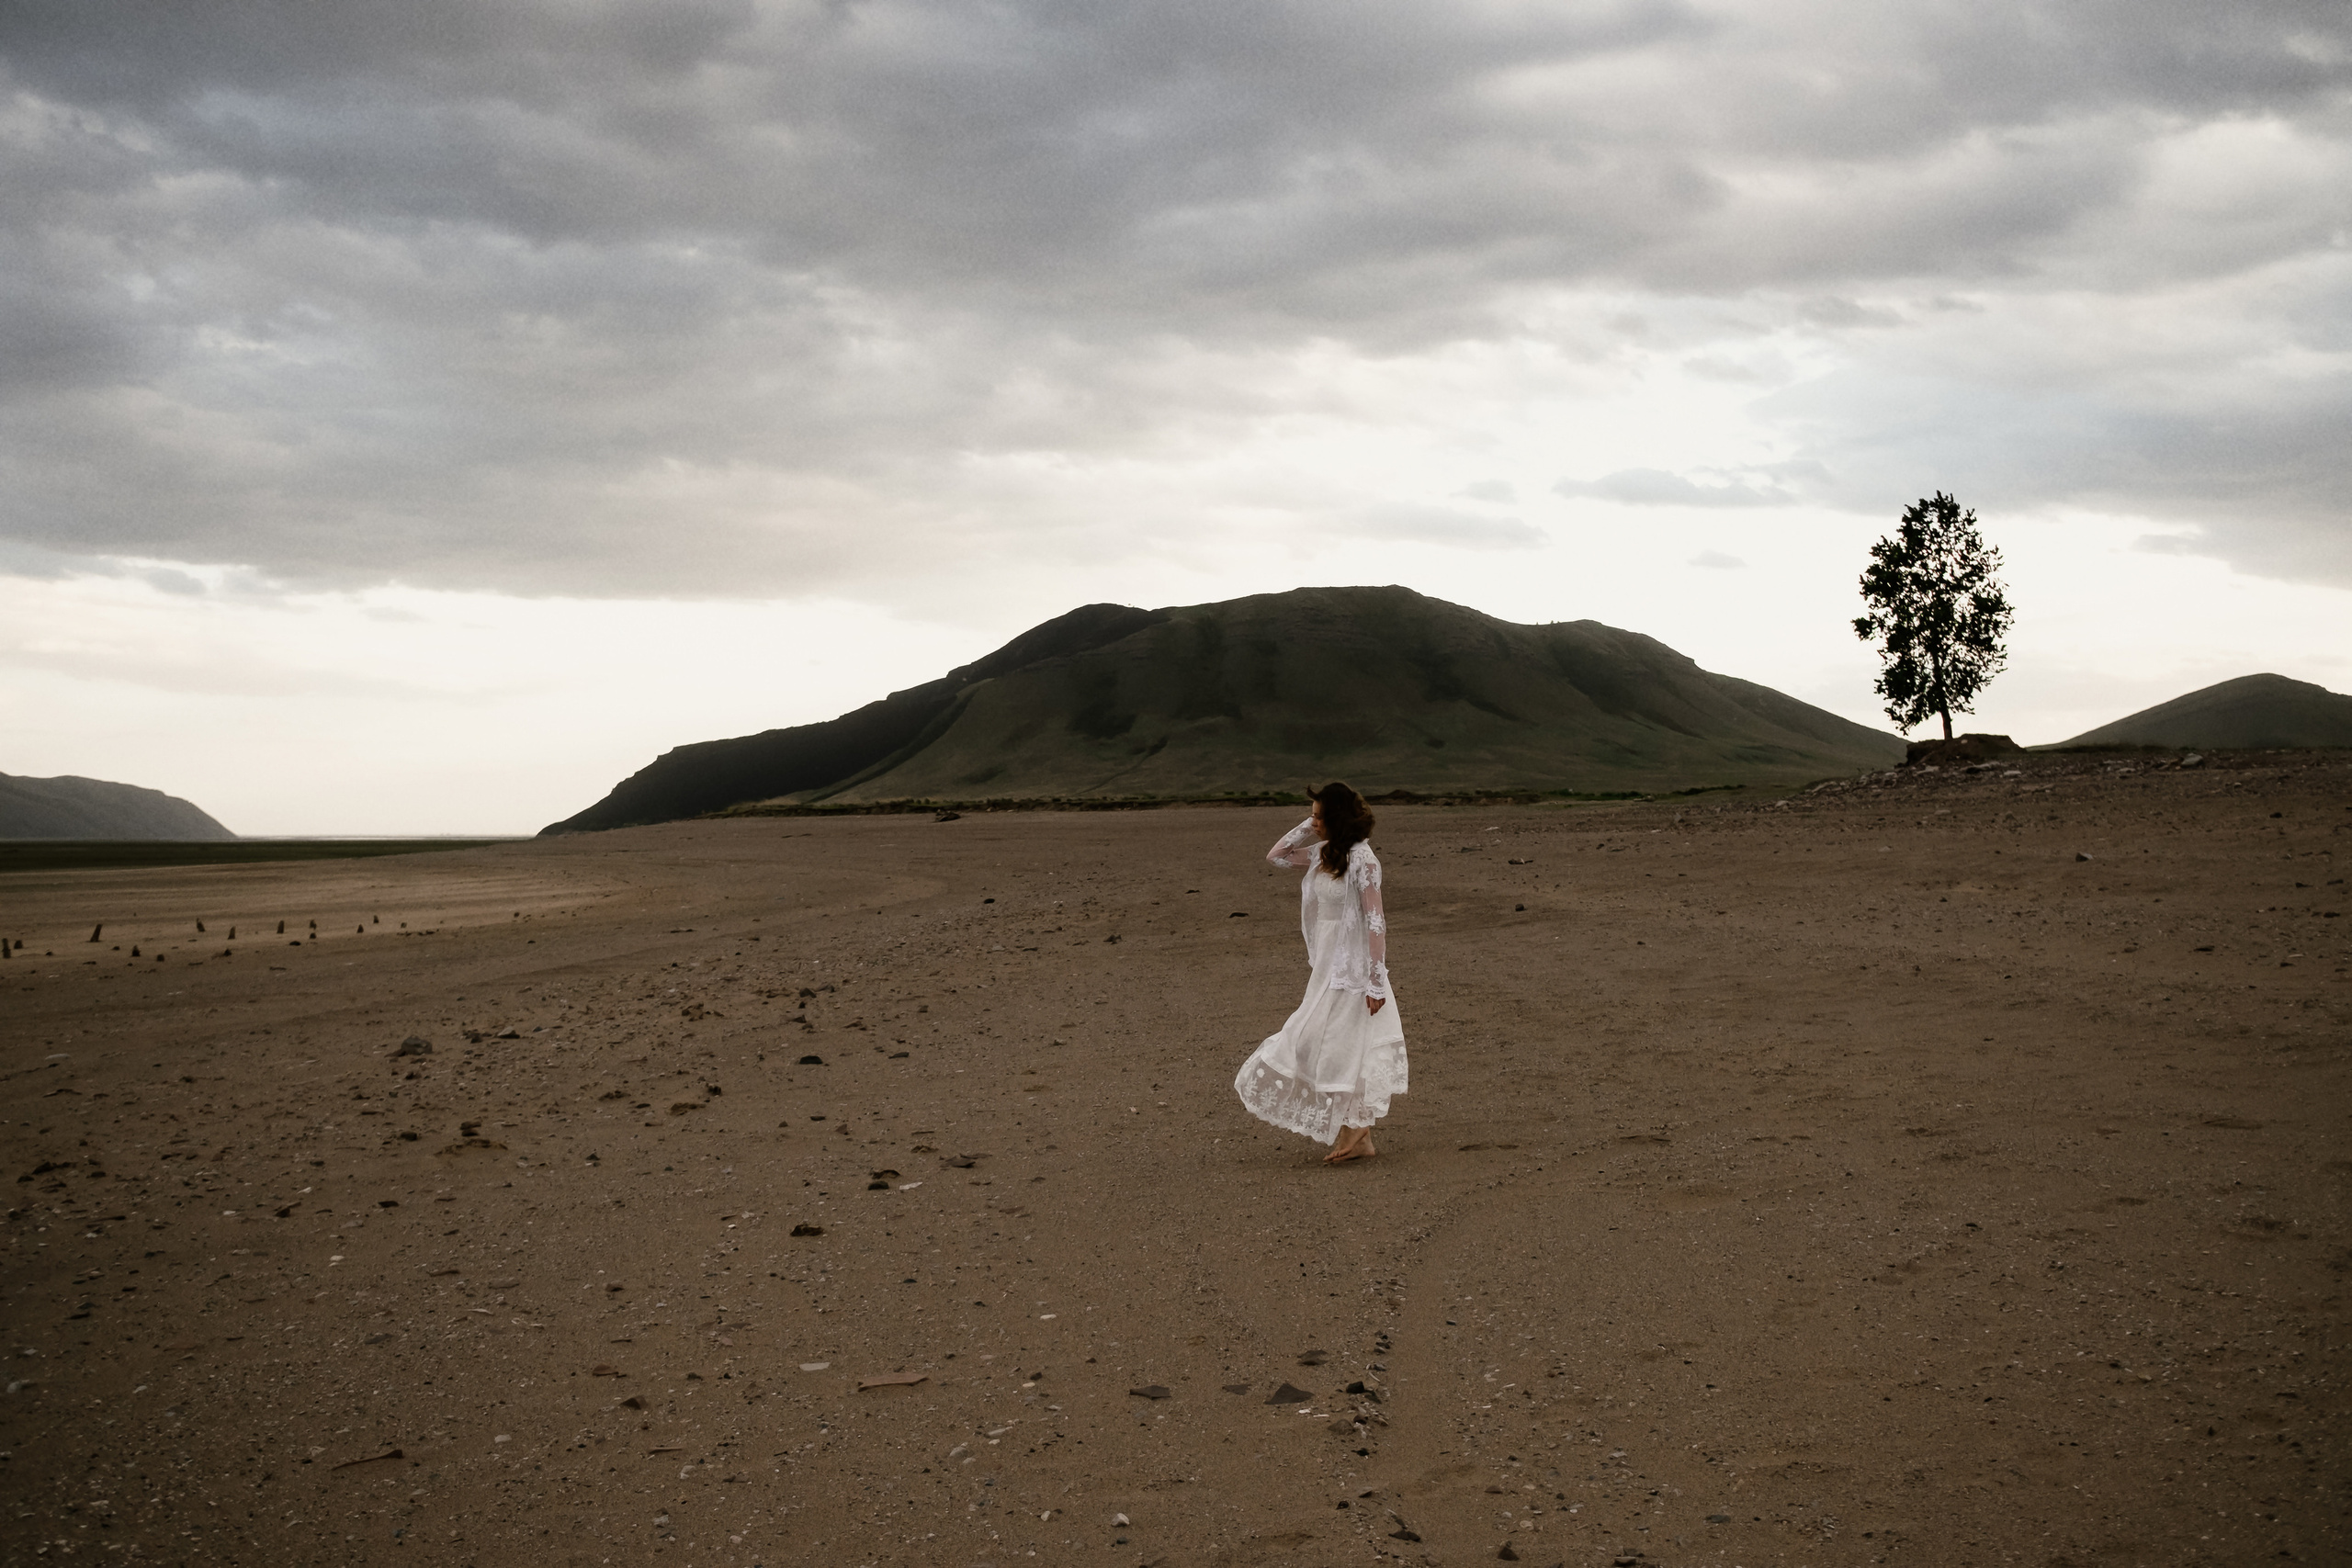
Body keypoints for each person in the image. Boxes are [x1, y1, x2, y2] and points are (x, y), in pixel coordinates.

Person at [1233, 781, 1408, 1164]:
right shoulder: (1322, 854)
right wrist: (1309, 825)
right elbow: (1277, 856)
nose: (1313, 822)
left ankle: (1357, 1133)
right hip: (1327, 967)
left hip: (1353, 970)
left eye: (1318, 816)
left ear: (1337, 818)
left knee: (1337, 1045)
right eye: (1311, 815)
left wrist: (1377, 980)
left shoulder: (1363, 860)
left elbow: (1376, 922)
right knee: (1324, 1043)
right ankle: (1357, 1133)